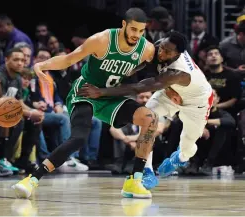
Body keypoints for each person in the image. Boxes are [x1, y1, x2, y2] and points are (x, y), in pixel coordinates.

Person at [12, 8, 159, 199]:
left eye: (141, 31)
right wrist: (42, 65)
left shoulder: (146, 49)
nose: (136, 35)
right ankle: (32, 179)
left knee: (150, 118)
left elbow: (155, 69)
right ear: (124, 25)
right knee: (79, 138)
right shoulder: (103, 40)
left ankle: (134, 181)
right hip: (85, 92)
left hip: (110, 96)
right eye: (133, 29)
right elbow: (69, 59)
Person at [78, 31, 213, 179]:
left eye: (167, 52)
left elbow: (138, 88)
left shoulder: (178, 72)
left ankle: (180, 158)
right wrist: (128, 70)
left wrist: (101, 92)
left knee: (188, 142)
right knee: (147, 118)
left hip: (196, 101)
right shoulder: (160, 45)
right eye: (162, 47)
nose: (161, 52)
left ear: (178, 54)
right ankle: (146, 170)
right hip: (169, 91)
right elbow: (145, 61)